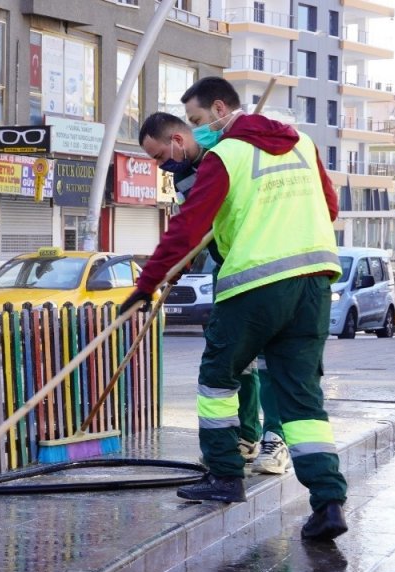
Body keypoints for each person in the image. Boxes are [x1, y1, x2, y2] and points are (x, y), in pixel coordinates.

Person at [122, 77, 348, 541]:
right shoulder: (303, 144)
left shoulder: (226, 156)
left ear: (220, 109)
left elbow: (186, 230)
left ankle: (225, 476)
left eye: (200, 121)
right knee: (301, 396)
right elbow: (330, 208)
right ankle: (328, 502)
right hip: (314, 284)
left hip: (255, 284)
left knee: (217, 379)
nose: (198, 130)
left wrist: (146, 285)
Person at [139, 111, 289, 476]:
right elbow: (193, 225)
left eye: (159, 157)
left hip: (269, 263)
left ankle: (276, 439)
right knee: (240, 361)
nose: (160, 166)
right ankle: (247, 437)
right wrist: (179, 265)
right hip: (231, 269)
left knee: (272, 359)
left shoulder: (226, 154)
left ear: (177, 140)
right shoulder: (183, 175)